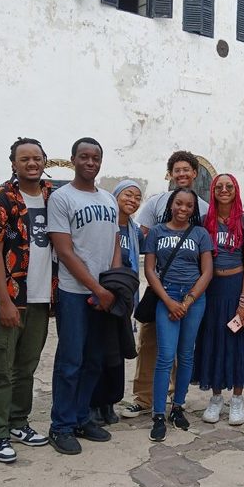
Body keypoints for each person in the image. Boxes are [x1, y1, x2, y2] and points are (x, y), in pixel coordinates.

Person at [0, 138, 54, 464]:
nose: (31, 163)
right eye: (24, 159)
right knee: (1, 367)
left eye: (37, 158)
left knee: (27, 365)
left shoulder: (54, 196)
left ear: (44, 161)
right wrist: (4, 301)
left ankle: (18, 422)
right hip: (9, 297)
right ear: (13, 163)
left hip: (41, 296)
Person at [46, 137, 121, 455]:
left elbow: (115, 243)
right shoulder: (62, 198)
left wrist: (114, 285)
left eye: (96, 158)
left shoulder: (109, 199)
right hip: (76, 293)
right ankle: (60, 426)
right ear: (73, 159)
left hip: (104, 295)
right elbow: (64, 250)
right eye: (85, 157)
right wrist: (97, 288)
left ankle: (81, 417)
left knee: (94, 360)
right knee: (71, 360)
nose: (91, 162)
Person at [122, 151, 209, 419]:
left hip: (190, 292)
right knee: (151, 345)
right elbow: (143, 240)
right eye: (177, 170)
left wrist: (190, 298)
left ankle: (173, 397)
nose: (182, 174)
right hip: (161, 289)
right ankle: (144, 398)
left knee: (182, 349)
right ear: (170, 174)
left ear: (195, 173)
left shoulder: (205, 208)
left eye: (187, 170)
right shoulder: (155, 203)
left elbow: (204, 252)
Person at [143, 188, 213, 441]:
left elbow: (207, 271)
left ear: (194, 209)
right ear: (171, 205)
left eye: (189, 205)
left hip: (194, 298)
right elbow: (150, 270)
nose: (183, 209)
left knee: (186, 355)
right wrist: (169, 302)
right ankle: (158, 414)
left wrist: (188, 300)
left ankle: (178, 407)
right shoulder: (157, 232)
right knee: (165, 356)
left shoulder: (200, 234)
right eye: (179, 204)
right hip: (167, 295)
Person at [192, 174, 244, 426]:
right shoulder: (203, 222)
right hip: (211, 288)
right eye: (218, 186)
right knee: (212, 339)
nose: (223, 190)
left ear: (236, 190)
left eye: (229, 186)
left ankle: (238, 399)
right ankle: (216, 397)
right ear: (212, 191)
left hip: (235, 286)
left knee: (238, 340)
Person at [90, 179, 144, 426]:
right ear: (116, 196)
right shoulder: (104, 225)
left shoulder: (133, 230)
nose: (132, 200)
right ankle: (92, 403)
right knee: (96, 352)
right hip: (102, 296)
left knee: (116, 354)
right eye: (128, 195)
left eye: (137, 197)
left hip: (123, 301)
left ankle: (109, 402)